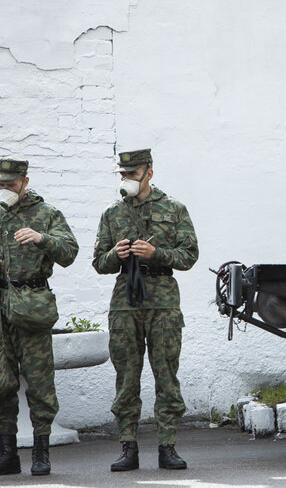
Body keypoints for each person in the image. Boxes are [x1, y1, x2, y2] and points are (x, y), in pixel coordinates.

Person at [0, 157, 79, 477]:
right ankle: (7, 454)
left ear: (24, 182)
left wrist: (42, 238)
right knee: (1, 380)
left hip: (32, 307)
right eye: (0, 183)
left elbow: (69, 252)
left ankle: (41, 454)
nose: (4, 188)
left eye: (10, 183)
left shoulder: (47, 215)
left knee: (40, 381)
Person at [93, 149, 199, 471]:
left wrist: (157, 253)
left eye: (132, 174)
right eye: (123, 175)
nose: (127, 180)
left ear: (149, 173)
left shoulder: (173, 208)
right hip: (126, 301)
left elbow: (189, 255)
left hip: (163, 300)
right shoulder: (113, 214)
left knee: (166, 374)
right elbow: (99, 262)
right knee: (127, 377)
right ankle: (128, 447)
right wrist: (116, 254)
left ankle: (167, 446)